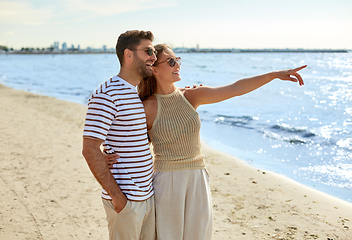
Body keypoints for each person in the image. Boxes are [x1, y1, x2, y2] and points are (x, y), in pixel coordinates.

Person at [106, 44, 306, 240]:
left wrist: (273, 75)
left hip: (198, 179)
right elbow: (126, 142)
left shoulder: (192, 95)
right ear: (154, 69)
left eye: (178, 60)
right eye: (171, 61)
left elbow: (235, 88)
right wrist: (105, 156)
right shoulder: (145, 107)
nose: (178, 65)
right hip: (166, 183)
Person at [82, 30, 158, 240]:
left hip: (146, 196)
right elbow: (89, 148)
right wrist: (118, 198)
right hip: (127, 200)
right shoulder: (107, 94)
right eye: (148, 51)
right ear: (129, 54)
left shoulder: (134, 92)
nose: (154, 56)